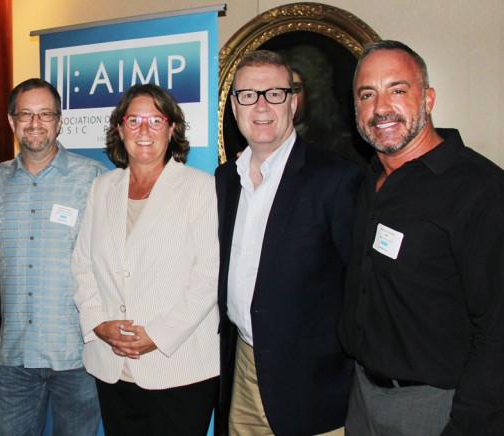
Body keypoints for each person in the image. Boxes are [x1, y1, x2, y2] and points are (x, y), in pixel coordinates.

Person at [339, 40, 504, 435]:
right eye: (367, 94)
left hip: (437, 408)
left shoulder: (480, 190)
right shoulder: (369, 181)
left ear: (427, 98)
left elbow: (498, 329)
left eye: (397, 90)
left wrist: (469, 424)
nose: (381, 108)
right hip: (361, 396)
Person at [216, 50, 362, 435]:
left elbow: (360, 288)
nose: (261, 105)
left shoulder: (336, 179)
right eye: (248, 94)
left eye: (275, 94)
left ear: (293, 102)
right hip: (243, 372)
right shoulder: (224, 180)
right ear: (234, 107)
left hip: (312, 386)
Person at [72, 83, 220, 435]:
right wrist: (98, 323)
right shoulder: (102, 187)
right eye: (134, 120)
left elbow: (208, 276)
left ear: (172, 130)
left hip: (179, 367)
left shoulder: (200, 187)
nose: (143, 130)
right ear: (120, 129)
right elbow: (82, 265)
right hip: (112, 366)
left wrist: (157, 335)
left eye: (155, 120)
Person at [0, 78, 104, 435]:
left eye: (45, 114)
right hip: (13, 357)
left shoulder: (94, 178)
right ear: (11, 120)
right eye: (26, 114)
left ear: (59, 120)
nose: (35, 123)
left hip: (77, 356)